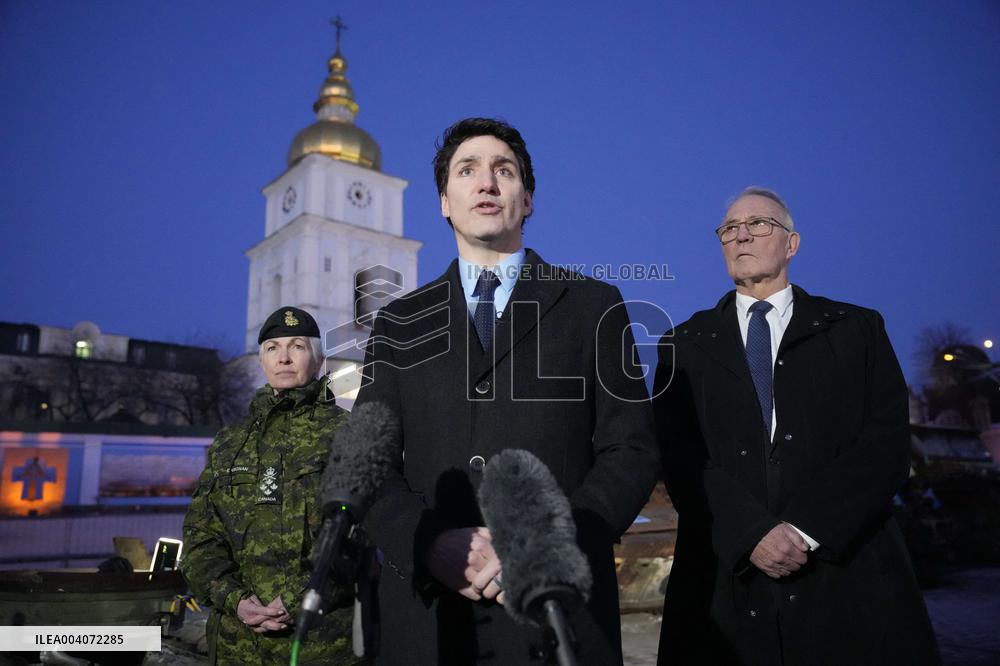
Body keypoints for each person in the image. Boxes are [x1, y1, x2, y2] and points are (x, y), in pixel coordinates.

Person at [354, 117, 658, 664]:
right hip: (430, 623)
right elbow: (367, 464)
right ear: (445, 201)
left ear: (528, 198)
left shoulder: (594, 305)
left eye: (504, 170)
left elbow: (631, 449)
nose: (487, 183)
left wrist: (551, 541)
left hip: (559, 612)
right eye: (467, 171)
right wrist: (426, 542)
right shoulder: (398, 322)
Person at [653, 187, 939, 664]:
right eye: (729, 229)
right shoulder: (682, 344)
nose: (741, 235)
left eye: (758, 224)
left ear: (792, 243)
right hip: (726, 576)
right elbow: (677, 452)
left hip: (845, 571)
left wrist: (805, 529)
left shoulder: (857, 330)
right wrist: (751, 533)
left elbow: (886, 445)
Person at [182, 306, 367, 665]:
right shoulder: (230, 441)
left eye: (297, 346)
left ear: (319, 360)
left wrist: (299, 598)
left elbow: (360, 535)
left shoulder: (348, 434)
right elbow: (200, 534)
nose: (283, 357)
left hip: (319, 644)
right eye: (272, 348)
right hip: (237, 646)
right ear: (262, 360)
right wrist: (234, 598)